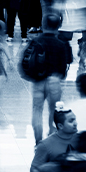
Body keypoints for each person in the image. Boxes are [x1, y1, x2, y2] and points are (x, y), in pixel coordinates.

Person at [24, 13, 73, 144]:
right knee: (54, 110)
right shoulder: (61, 43)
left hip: (38, 81)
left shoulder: (36, 41)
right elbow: (65, 66)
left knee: (37, 110)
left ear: (43, 24)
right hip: (55, 81)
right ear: (58, 26)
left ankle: (38, 141)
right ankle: (51, 134)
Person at [29, 104, 79, 172]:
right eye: (71, 121)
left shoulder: (81, 140)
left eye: (75, 119)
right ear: (60, 126)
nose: (75, 123)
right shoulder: (45, 145)